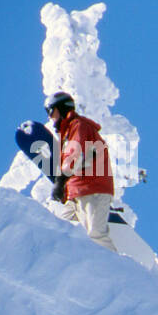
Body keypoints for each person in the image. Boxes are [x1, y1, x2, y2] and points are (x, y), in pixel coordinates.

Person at [44, 91, 117, 253]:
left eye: (50, 111)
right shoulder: (69, 130)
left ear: (61, 109)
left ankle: (119, 274)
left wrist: (61, 180)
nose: (49, 117)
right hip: (77, 192)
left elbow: (77, 154)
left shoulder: (79, 126)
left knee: (96, 235)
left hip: (93, 189)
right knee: (63, 231)